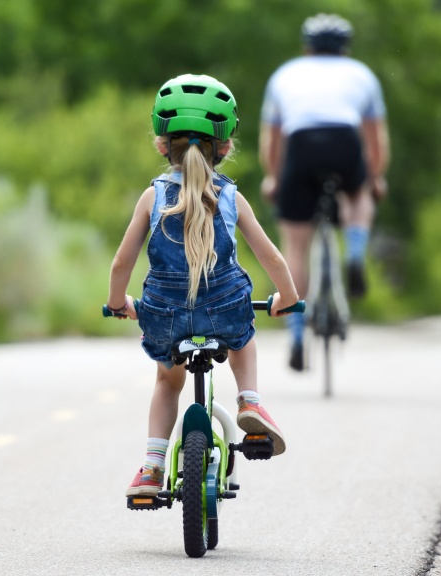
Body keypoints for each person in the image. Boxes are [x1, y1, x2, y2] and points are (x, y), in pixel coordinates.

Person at [106, 74, 301, 497]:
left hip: (164, 315)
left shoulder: (152, 197)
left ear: (161, 145)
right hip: (224, 309)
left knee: (167, 383)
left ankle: (152, 467)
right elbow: (272, 257)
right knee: (243, 337)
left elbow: (122, 262)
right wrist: (287, 297)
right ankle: (249, 400)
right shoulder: (231, 196)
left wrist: (119, 302)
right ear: (225, 147)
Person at [258, 13, 390, 371]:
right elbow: (376, 140)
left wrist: (273, 178)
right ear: (345, 49)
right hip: (344, 141)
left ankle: (296, 335)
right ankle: (355, 252)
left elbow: (272, 141)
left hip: (301, 145)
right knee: (359, 195)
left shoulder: (284, 74)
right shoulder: (362, 74)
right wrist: (375, 178)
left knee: (295, 246)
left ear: (307, 48)